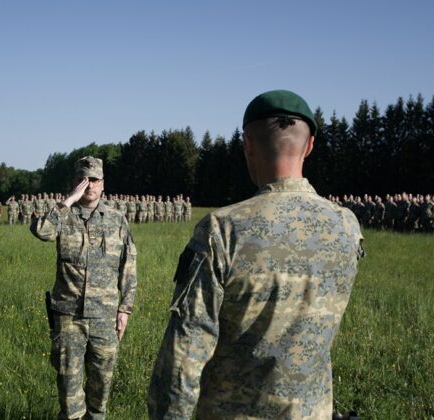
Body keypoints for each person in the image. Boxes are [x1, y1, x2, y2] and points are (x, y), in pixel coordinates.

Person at [148, 90, 364, 419]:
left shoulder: (222, 231)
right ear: (309, 146)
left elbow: (183, 357)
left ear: (247, 144)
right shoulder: (346, 226)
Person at [30, 156, 137, 419]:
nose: (89, 185)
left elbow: (129, 265)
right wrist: (67, 201)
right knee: (69, 390)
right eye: (83, 179)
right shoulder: (63, 217)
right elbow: (41, 231)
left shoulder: (116, 220)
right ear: (75, 183)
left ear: (103, 184)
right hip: (69, 317)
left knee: (101, 389)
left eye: (94, 180)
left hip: (105, 316)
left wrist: (125, 309)